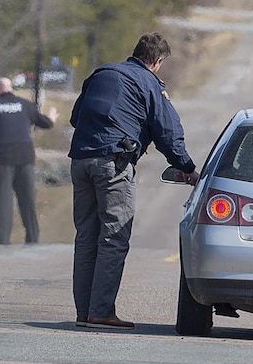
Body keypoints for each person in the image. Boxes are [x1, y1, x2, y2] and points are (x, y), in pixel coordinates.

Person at [68, 32, 197, 330]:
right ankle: (100, 311)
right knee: (113, 238)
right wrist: (187, 167)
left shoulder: (101, 74)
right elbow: (167, 131)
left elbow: (77, 118)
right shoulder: (148, 83)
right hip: (113, 164)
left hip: (80, 160)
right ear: (157, 62)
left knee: (86, 237)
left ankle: (84, 311)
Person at [0, 77, 59, 245]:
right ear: (10, 88)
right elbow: (45, 123)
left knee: (2, 202)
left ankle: (2, 242)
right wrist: (51, 118)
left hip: (2, 159)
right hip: (25, 158)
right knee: (28, 200)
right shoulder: (26, 105)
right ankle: (33, 240)